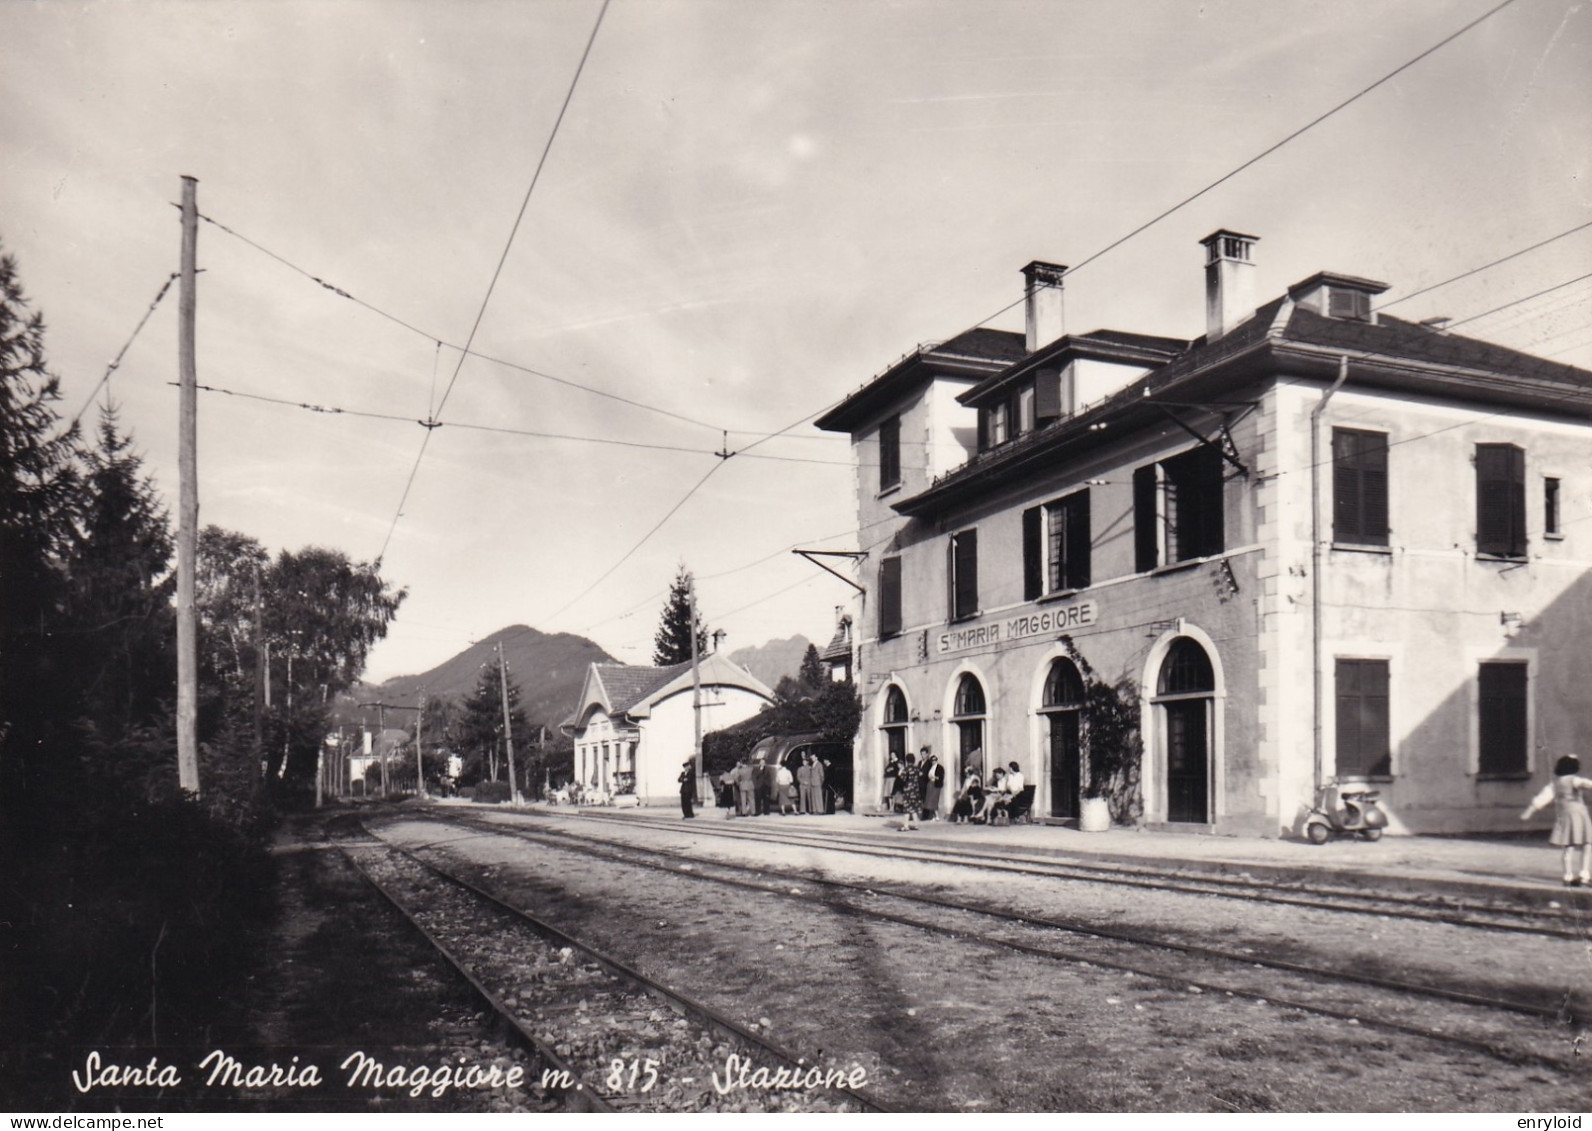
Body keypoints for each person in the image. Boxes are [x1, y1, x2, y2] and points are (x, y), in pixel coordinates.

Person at [1521, 754, 1592, 885]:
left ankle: (1567, 876)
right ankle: (1584, 874)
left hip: (1565, 816)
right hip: (1580, 815)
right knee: (1587, 844)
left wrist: (1529, 811)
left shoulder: (1554, 784)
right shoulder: (1574, 780)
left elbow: (1542, 799)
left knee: (1567, 847)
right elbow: (1586, 784)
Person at [898, 751, 921, 830]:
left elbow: (902, 778)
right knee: (914, 808)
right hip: (916, 790)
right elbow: (920, 776)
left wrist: (900, 772)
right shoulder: (917, 769)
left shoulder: (906, 769)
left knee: (907, 808)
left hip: (908, 790)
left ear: (907, 760)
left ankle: (906, 825)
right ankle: (916, 824)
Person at [920, 749, 945, 820]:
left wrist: (935, 777)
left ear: (936, 760)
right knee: (929, 800)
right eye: (932, 761)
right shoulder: (931, 767)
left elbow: (941, 777)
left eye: (935, 760)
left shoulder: (940, 767)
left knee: (934, 800)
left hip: (936, 785)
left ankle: (937, 815)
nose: (934, 762)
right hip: (930, 785)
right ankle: (933, 815)